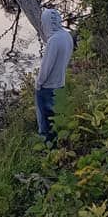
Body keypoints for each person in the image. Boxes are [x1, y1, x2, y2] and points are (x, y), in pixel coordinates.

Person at [36, 8, 74, 144]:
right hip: (61, 84)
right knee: (57, 118)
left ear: (47, 23)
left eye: (43, 22)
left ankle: (46, 148)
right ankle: (59, 145)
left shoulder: (53, 41)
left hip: (47, 88)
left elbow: (46, 67)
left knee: (45, 121)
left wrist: (39, 83)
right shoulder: (67, 36)